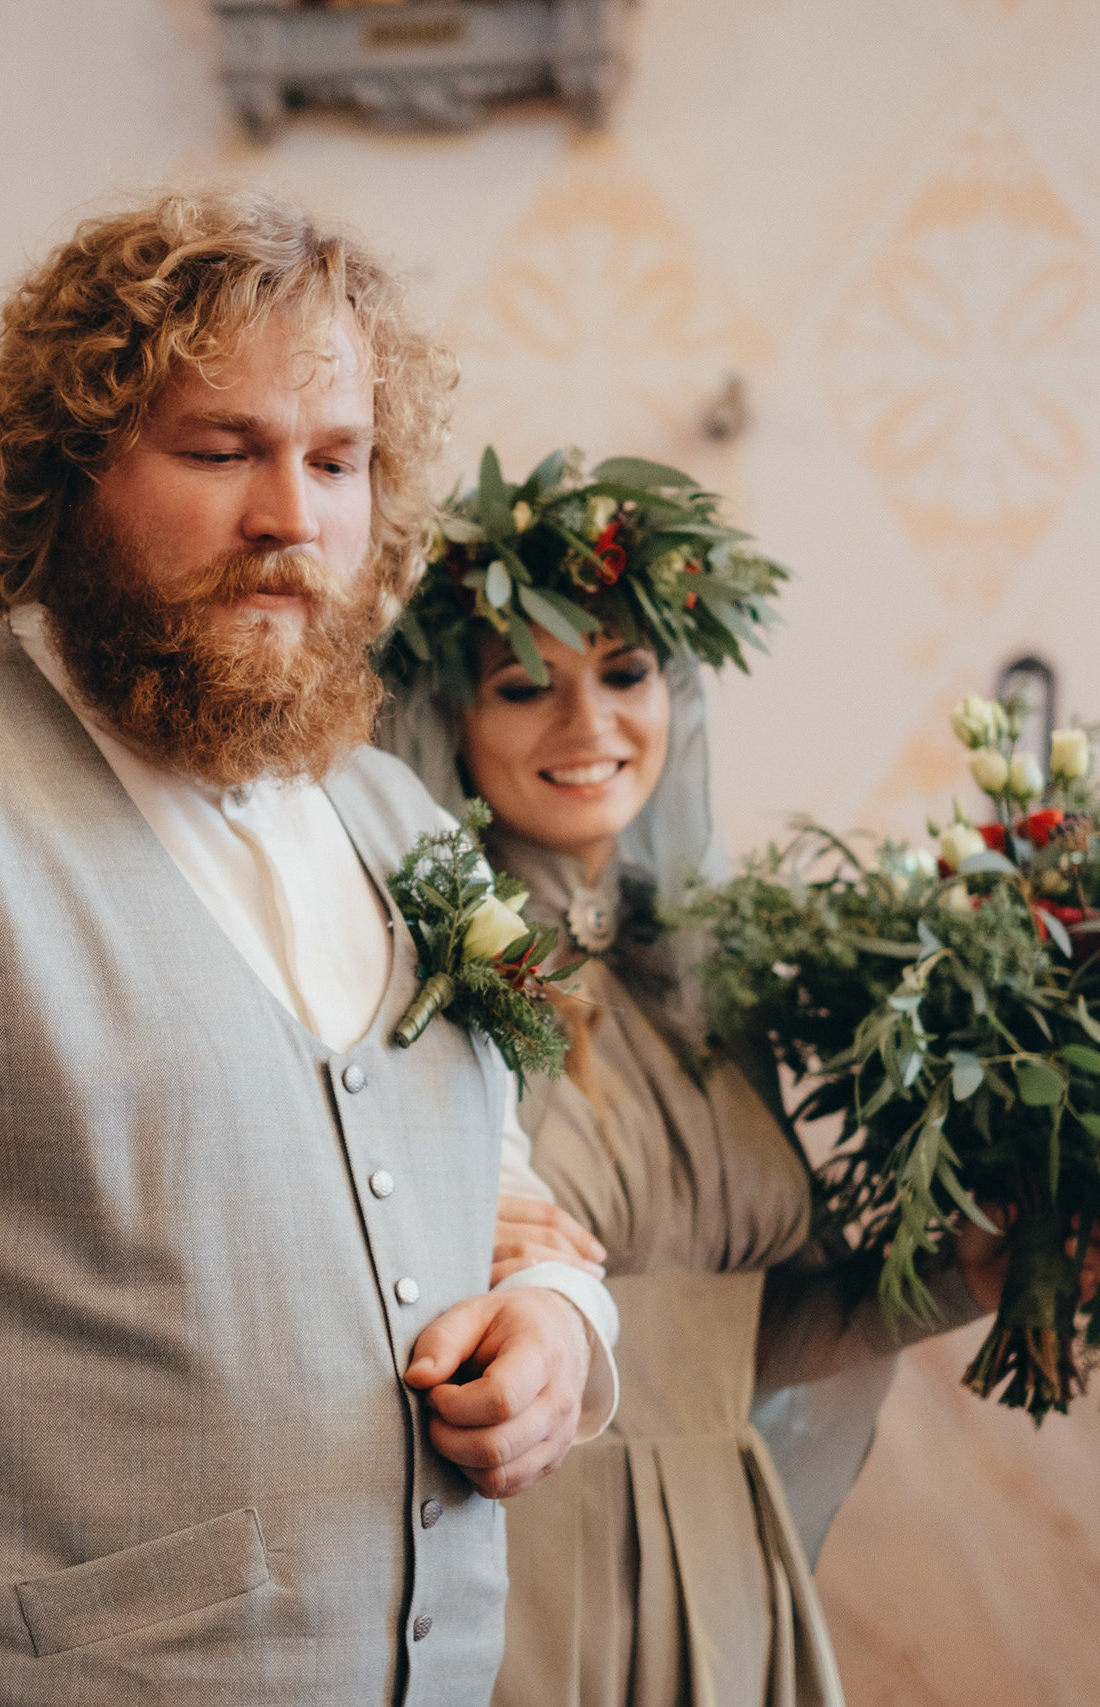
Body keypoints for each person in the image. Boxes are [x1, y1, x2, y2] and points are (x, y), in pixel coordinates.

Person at [0, 193, 622, 1707]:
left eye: (336, 461)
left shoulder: (398, 821)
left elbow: (503, 1207)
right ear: (69, 472)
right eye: (221, 450)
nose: (291, 516)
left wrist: (557, 1333)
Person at [377, 453, 1005, 1707]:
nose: (590, 726)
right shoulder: (422, 976)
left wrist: (973, 1270)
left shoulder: (712, 977)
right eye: (524, 685)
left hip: (725, 1546)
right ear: (449, 718)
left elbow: (737, 1343)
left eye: (625, 674)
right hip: (517, 1561)